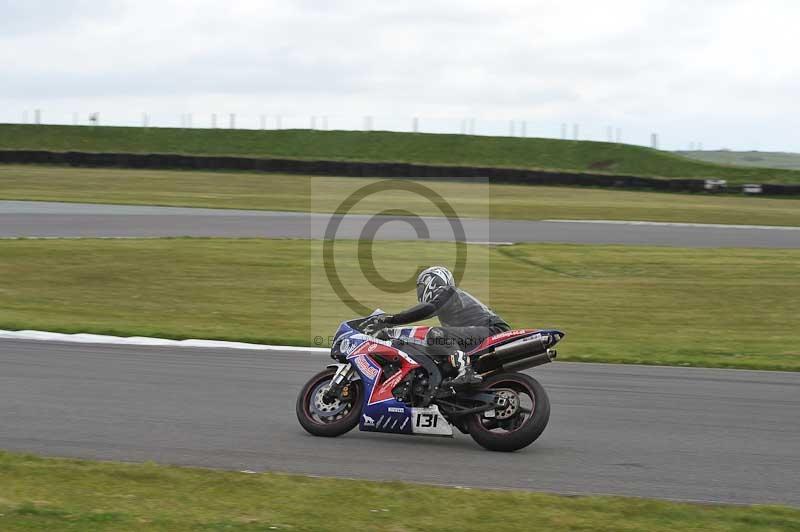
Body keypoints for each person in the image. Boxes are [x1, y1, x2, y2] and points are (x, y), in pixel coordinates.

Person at [364, 266, 510, 387]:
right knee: (439, 351)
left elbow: (427, 309)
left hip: (493, 331)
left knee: (436, 334)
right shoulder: (448, 306)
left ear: (432, 282)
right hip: (480, 335)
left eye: (421, 288)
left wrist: (390, 319)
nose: (420, 293)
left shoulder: (448, 292)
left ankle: (466, 371)